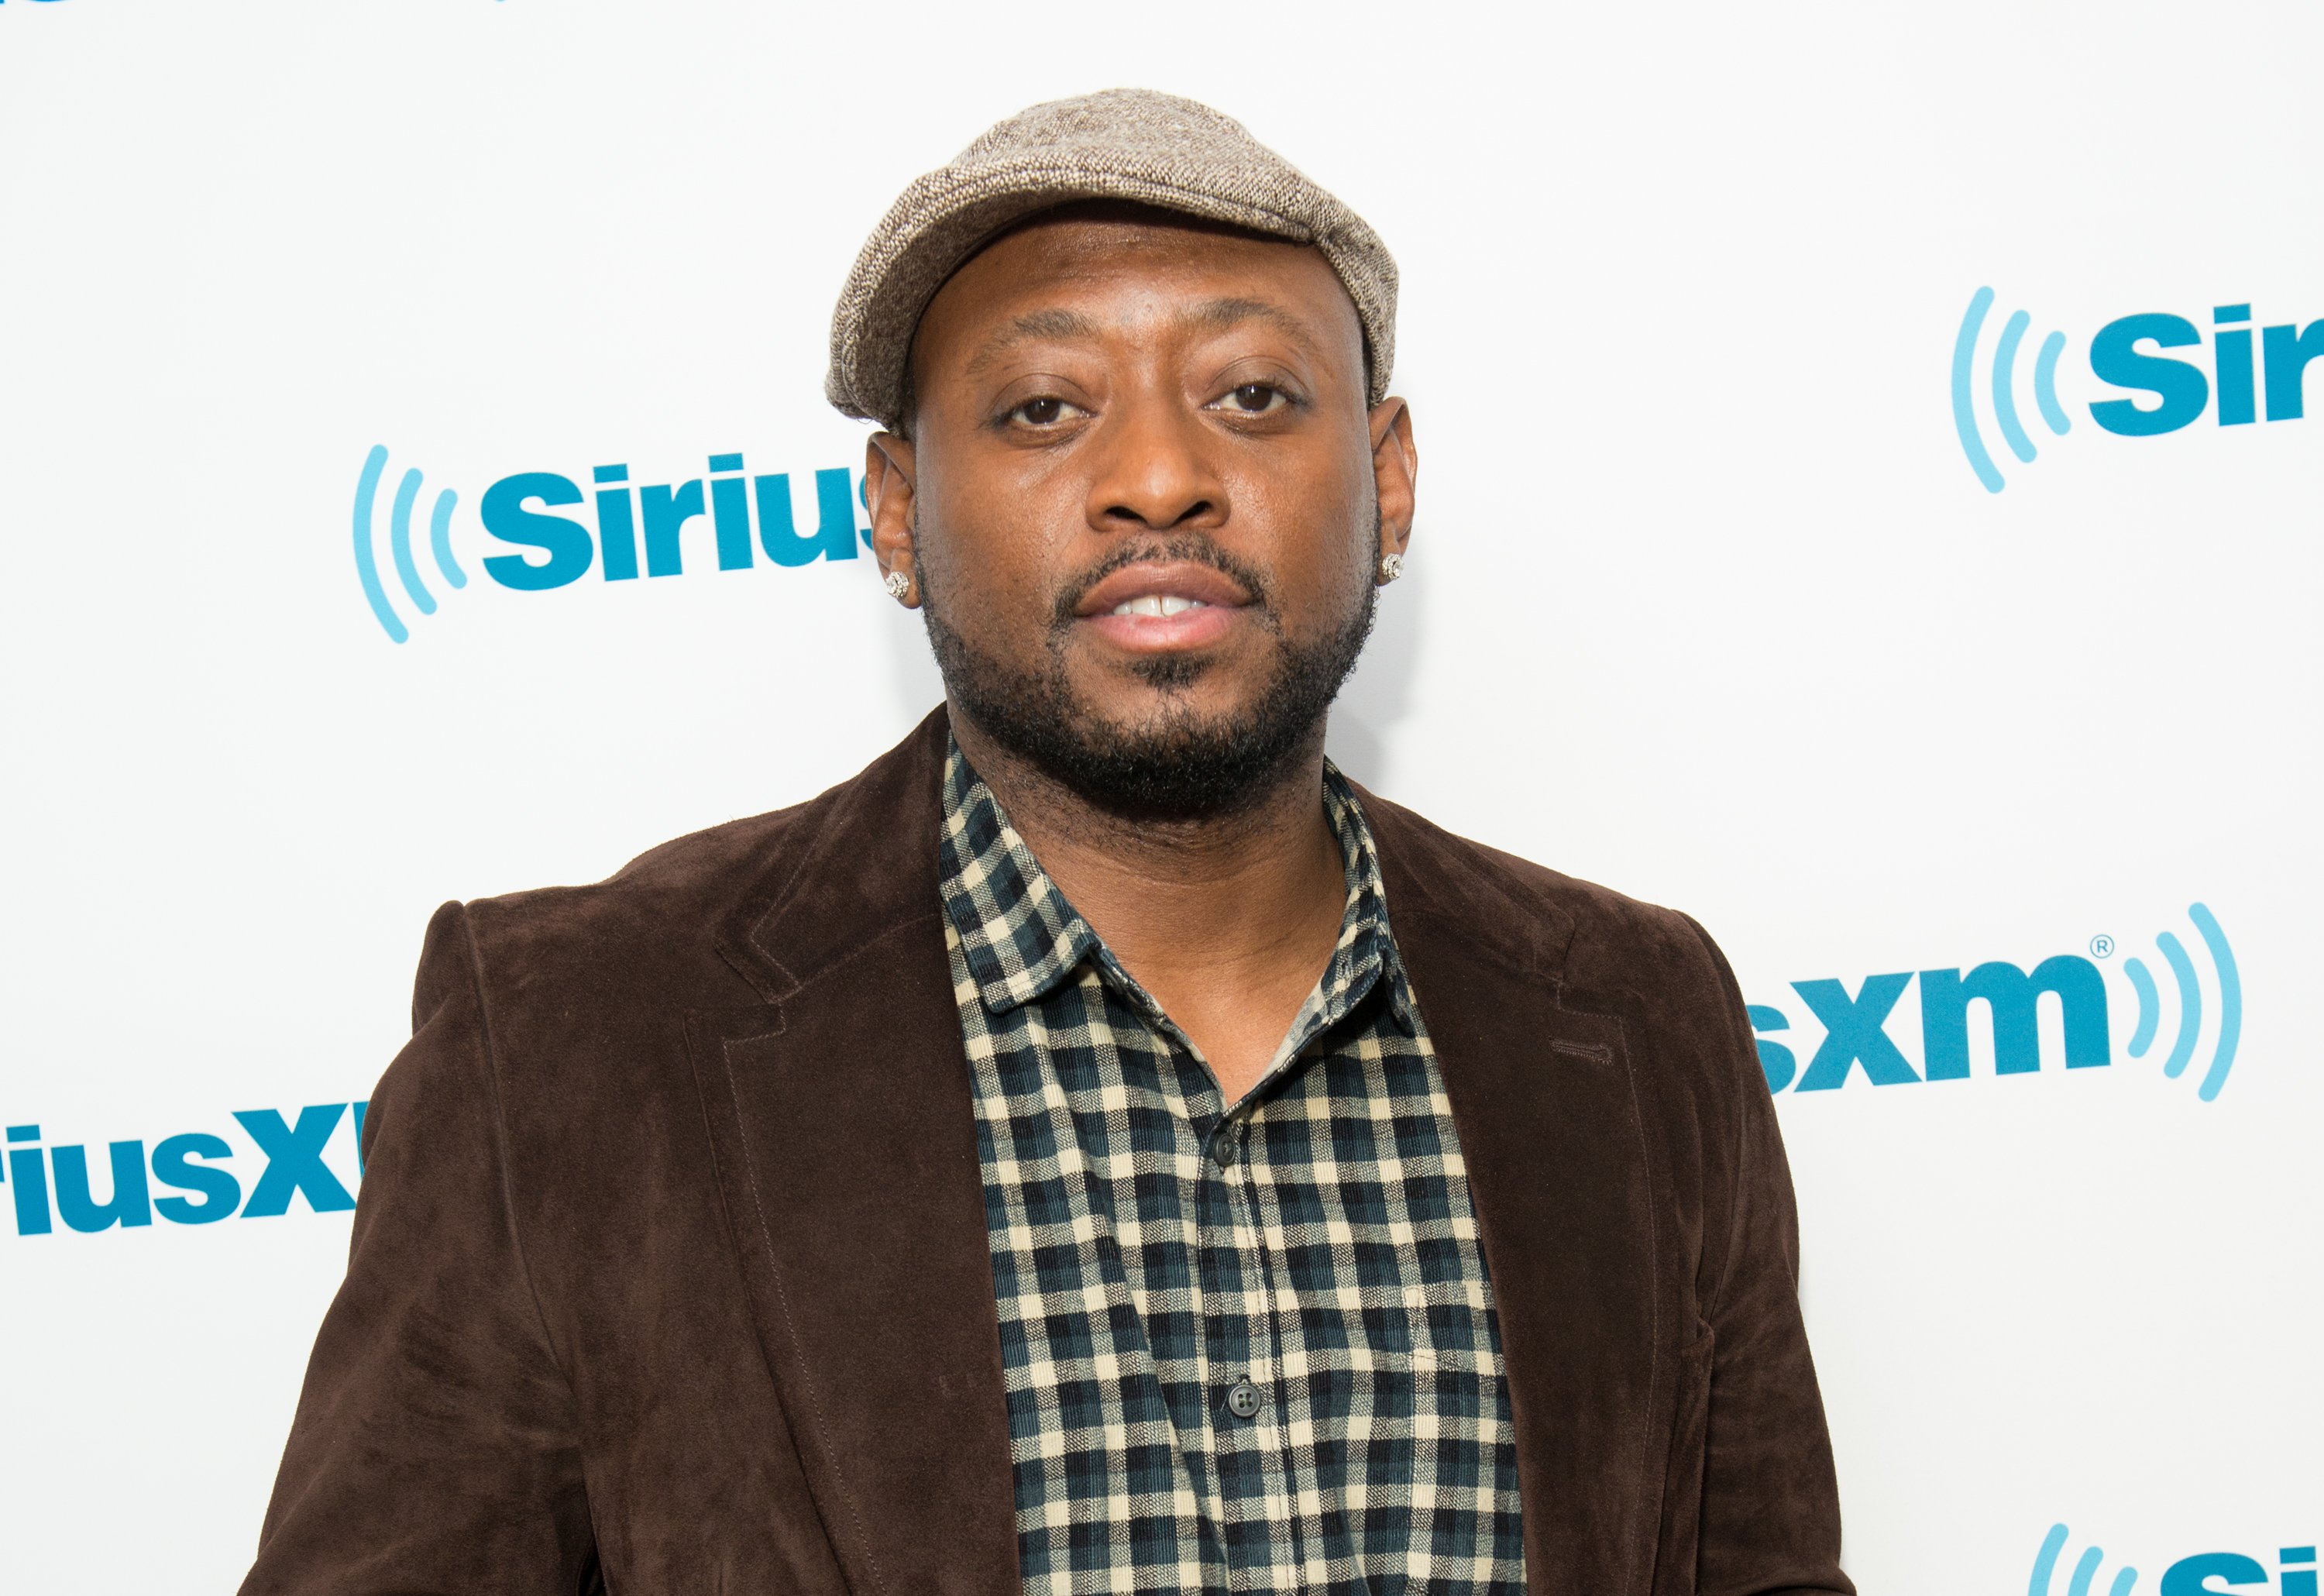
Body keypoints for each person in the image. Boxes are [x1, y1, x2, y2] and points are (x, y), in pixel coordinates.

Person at [242, 89, 1851, 1596]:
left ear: (1387, 476)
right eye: (1041, 407)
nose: (1157, 477)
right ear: (894, 511)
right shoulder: (572, 1044)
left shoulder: (1641, 1021)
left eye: (1252, 396)